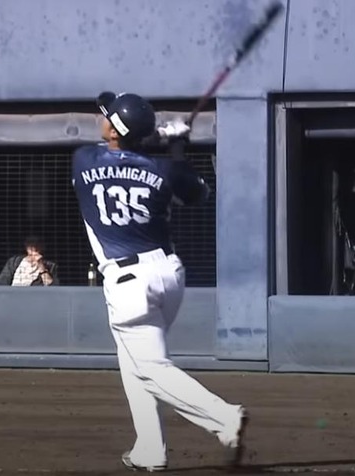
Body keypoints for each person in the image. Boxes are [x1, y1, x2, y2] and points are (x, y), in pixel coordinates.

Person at [71, 91, 247, 471]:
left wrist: (163, 136)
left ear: (115, 132)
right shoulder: (165, 170)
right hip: (167, 274)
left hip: (127, 282)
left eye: (108, 118)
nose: (102, 119)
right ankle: (150, 449)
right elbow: (197, 192)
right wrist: (178, 145)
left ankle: (224, 417)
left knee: (151, 368)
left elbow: (126, 149)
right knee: (133, 363)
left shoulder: (83, 159)